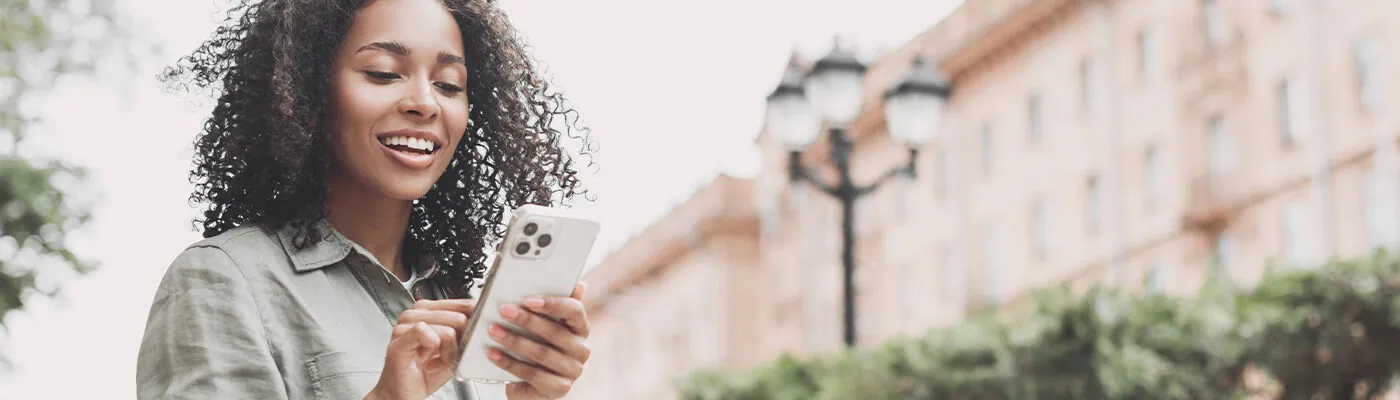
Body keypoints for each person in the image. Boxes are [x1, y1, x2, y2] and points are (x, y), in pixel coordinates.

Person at [136, 0, 596, 398]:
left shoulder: (457, 303)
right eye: (382, 74)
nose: (425, 103)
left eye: (449, 84)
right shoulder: (225, 279)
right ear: (309, 89)